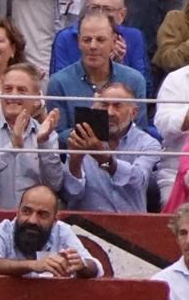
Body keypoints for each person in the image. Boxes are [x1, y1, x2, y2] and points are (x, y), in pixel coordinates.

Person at [0, 62, 61, 211]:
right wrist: (12, 148)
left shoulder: (46, 134)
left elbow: (55, 184)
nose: (13, 95)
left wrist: (43, 144)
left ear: (36, 98)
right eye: (8, 89)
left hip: (30, 226)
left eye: (21, 90)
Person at [46, 8, 148, 143]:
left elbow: (140, 131)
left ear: (114, 41)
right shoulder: (58, 82)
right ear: (78, 42)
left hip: (124, 159)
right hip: (77, 160)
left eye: (100, 40)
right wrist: (93, 122)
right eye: (87, 40)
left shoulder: (134, 80)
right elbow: (56, 137)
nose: (93, 46)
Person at [63, 81, 162, 213]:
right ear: (95, 108)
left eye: (117, 106)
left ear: (134, 112)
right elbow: (71, 195)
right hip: (87, 225)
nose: (110, 112)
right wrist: (75, 161)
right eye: (104, 105)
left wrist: (103, 158)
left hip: (132, 225)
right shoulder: (82, 138)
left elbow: (139, 180)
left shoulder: (148, 143)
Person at [0, 183, 103, 279]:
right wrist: (34, 265)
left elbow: (95, 267)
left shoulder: (62, 231)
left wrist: (82, 265)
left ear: (55, 219)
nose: (32, 220)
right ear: (17, 211)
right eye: (26, 211)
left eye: (42, 214)